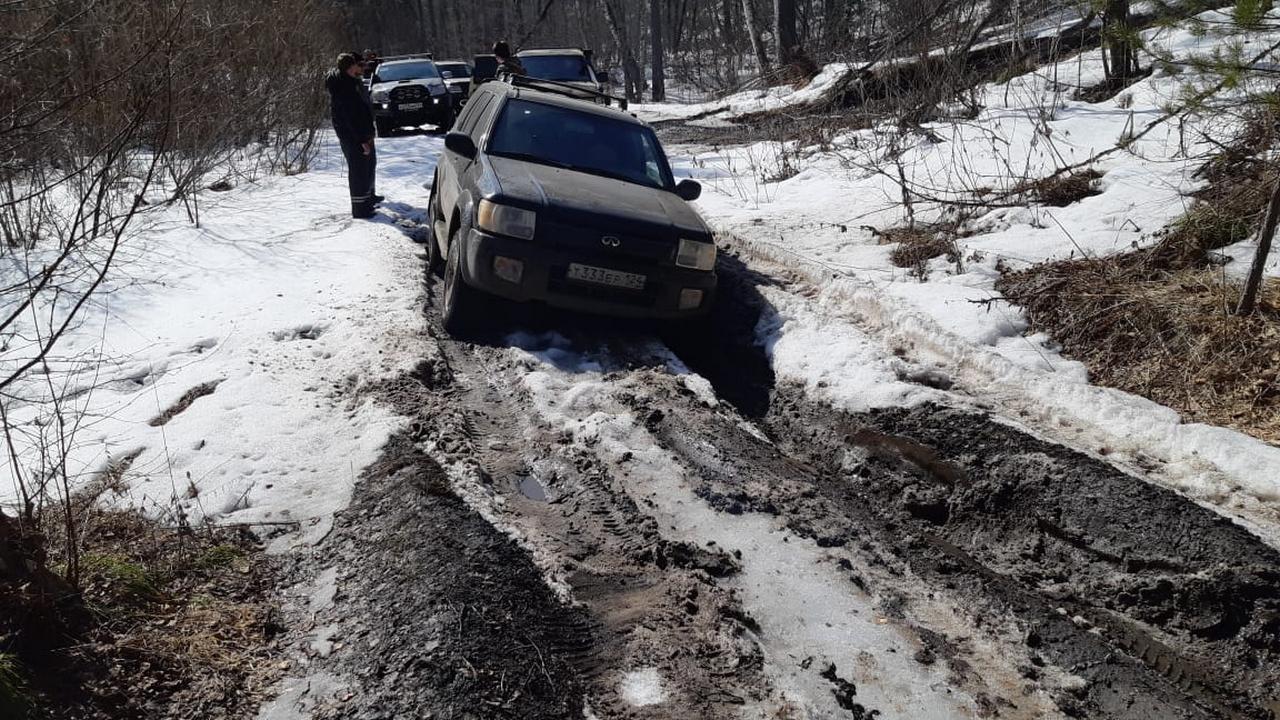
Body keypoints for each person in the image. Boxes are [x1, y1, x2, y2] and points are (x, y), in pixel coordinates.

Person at [326, 53, 382, 219]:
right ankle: (360, 209)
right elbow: (350, 117)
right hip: (353, 137)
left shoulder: (351, 83)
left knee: (365, 169)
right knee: (358, 171)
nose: (362, 68)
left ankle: (366, 202)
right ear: (350, 67)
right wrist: (362, 140)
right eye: (359, 65)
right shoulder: (343, 87)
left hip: (361, 134)